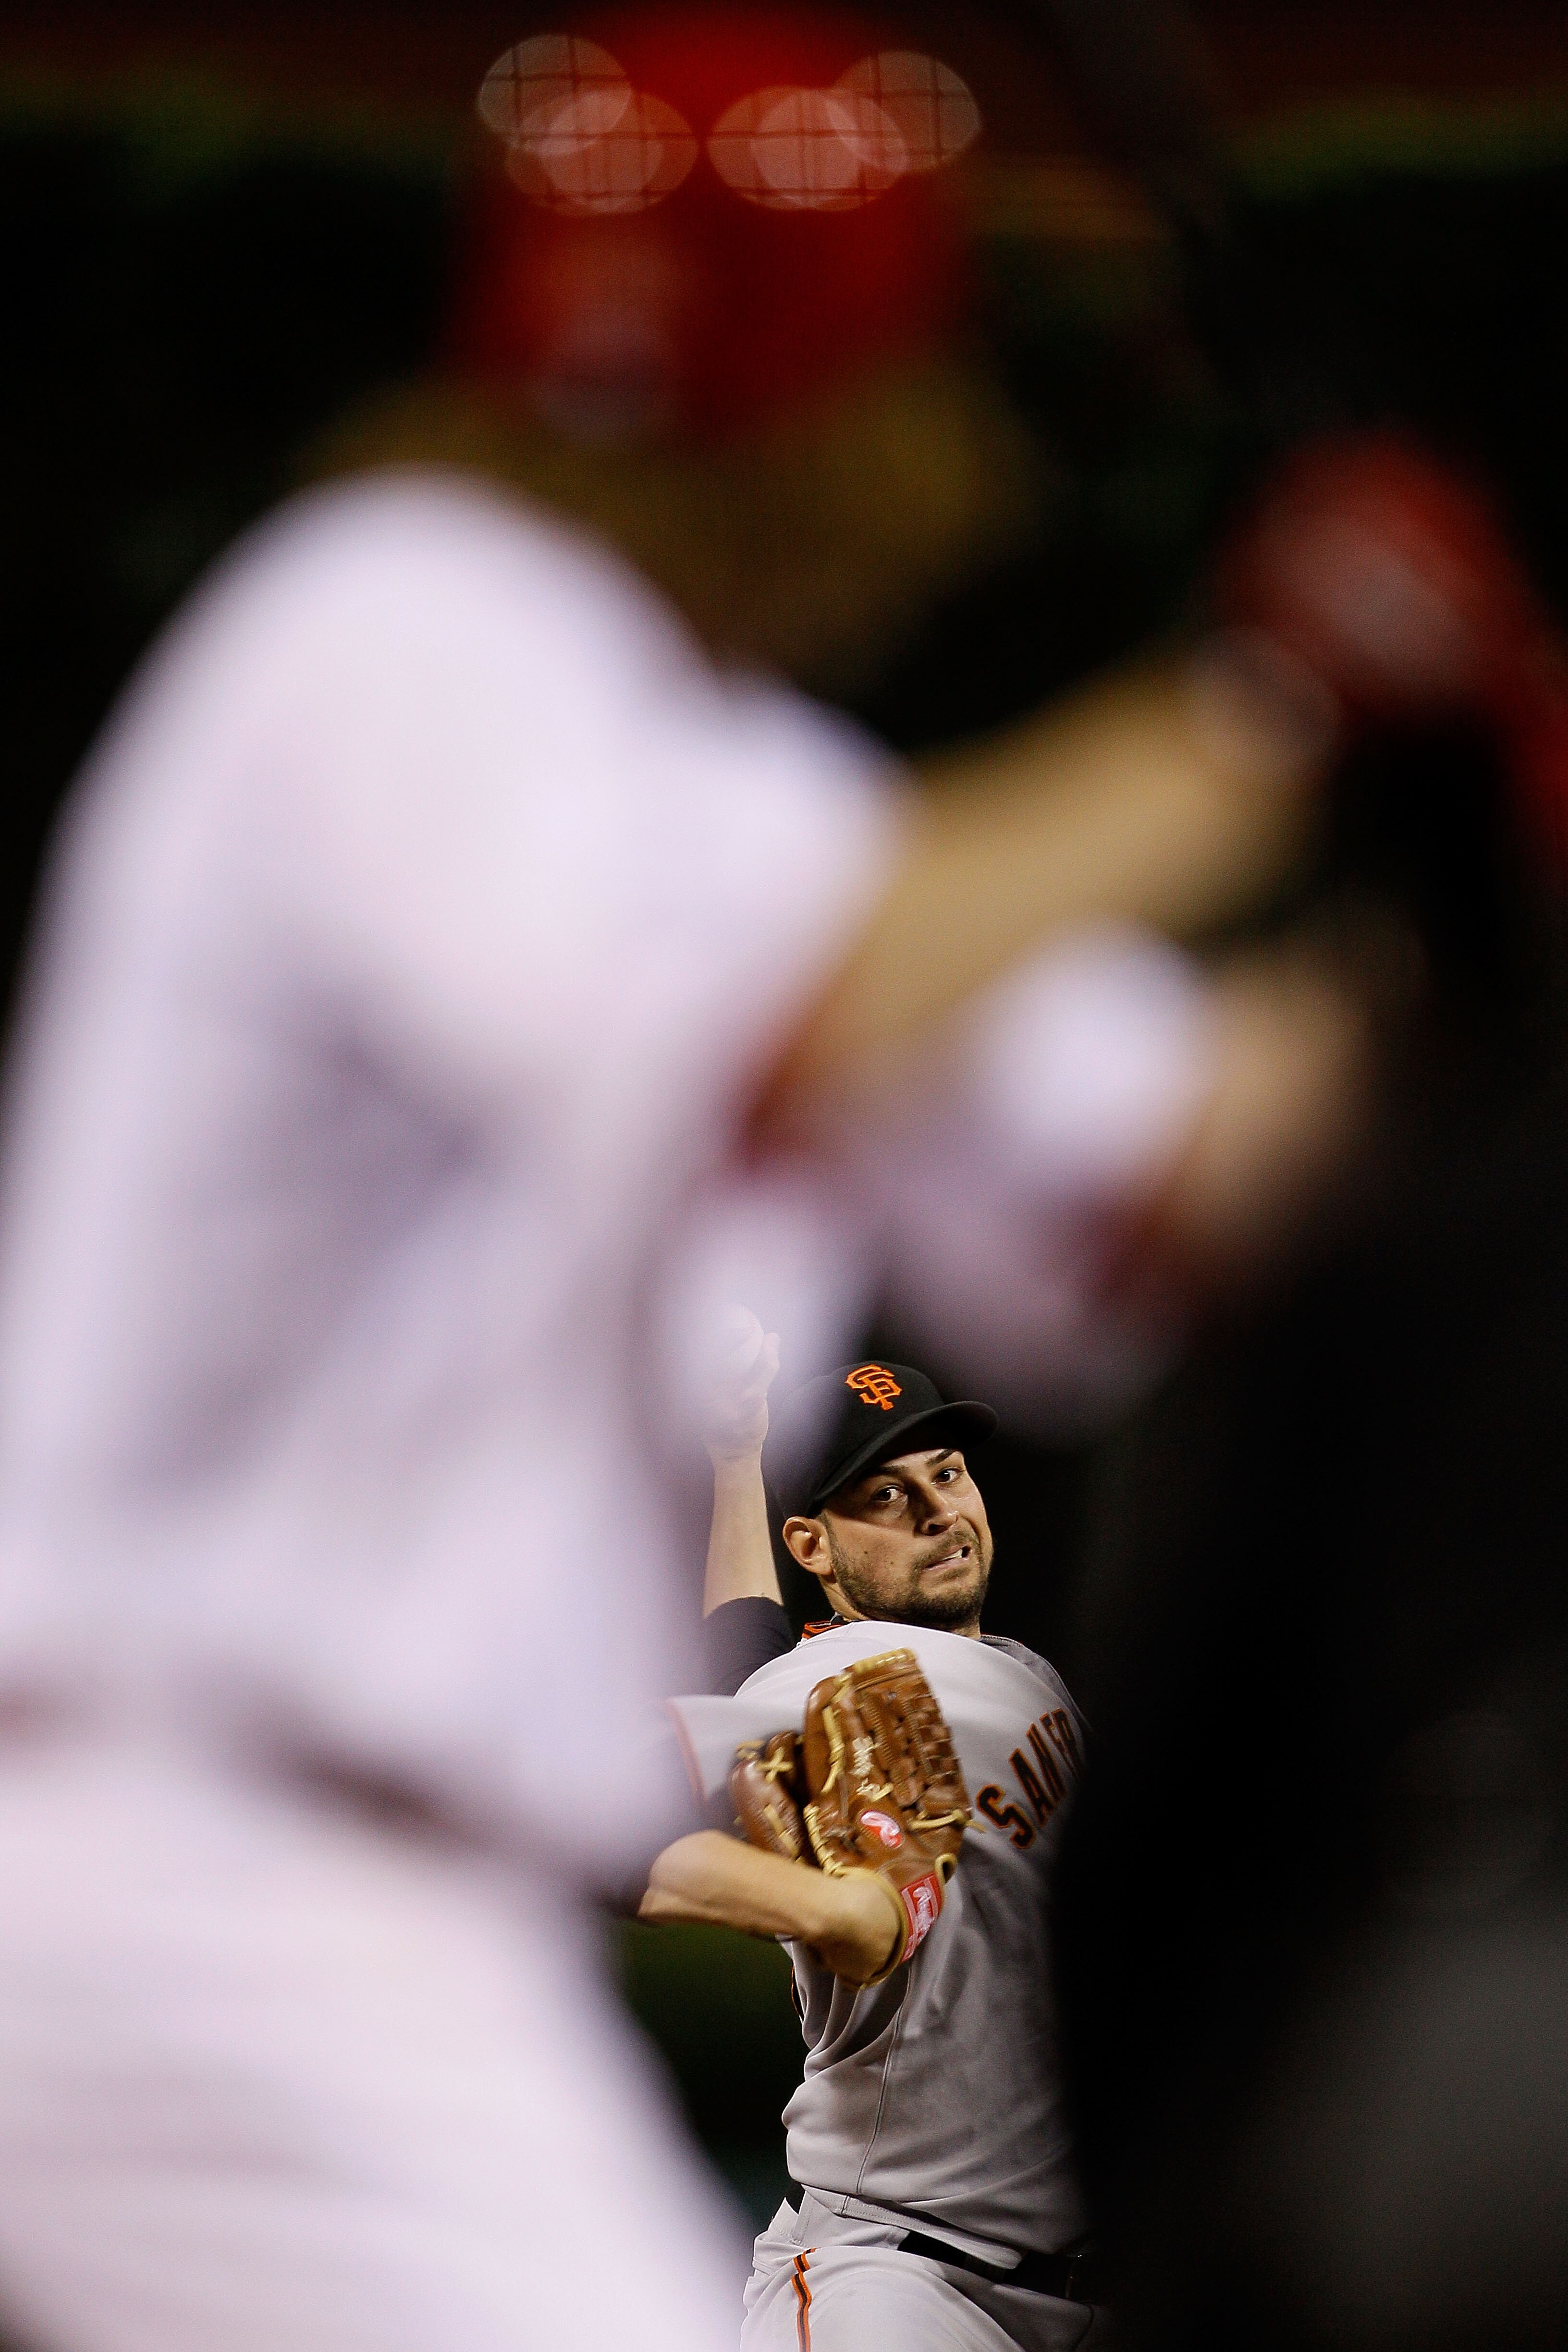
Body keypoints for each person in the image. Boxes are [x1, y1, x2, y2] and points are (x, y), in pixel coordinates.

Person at [0, 14, 1482, 2350]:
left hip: (320, 1919)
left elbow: (1174, 1162)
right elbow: (796, 1009)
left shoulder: (732, 793)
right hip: (183, 1862)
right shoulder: (405, 620)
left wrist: (1447, 896)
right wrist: (1278, 694)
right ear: (869, 405)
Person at [641, 1348, 1100, 2352]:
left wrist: (738, 1454)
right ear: (810, 1543)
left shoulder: (1024, 1673)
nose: (938, 1510)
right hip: (903, 2285)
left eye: (947, 1474)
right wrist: (845, 1908)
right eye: (885, 1497)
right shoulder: (838, 1682)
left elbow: (749, 1639)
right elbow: (637, 1796)